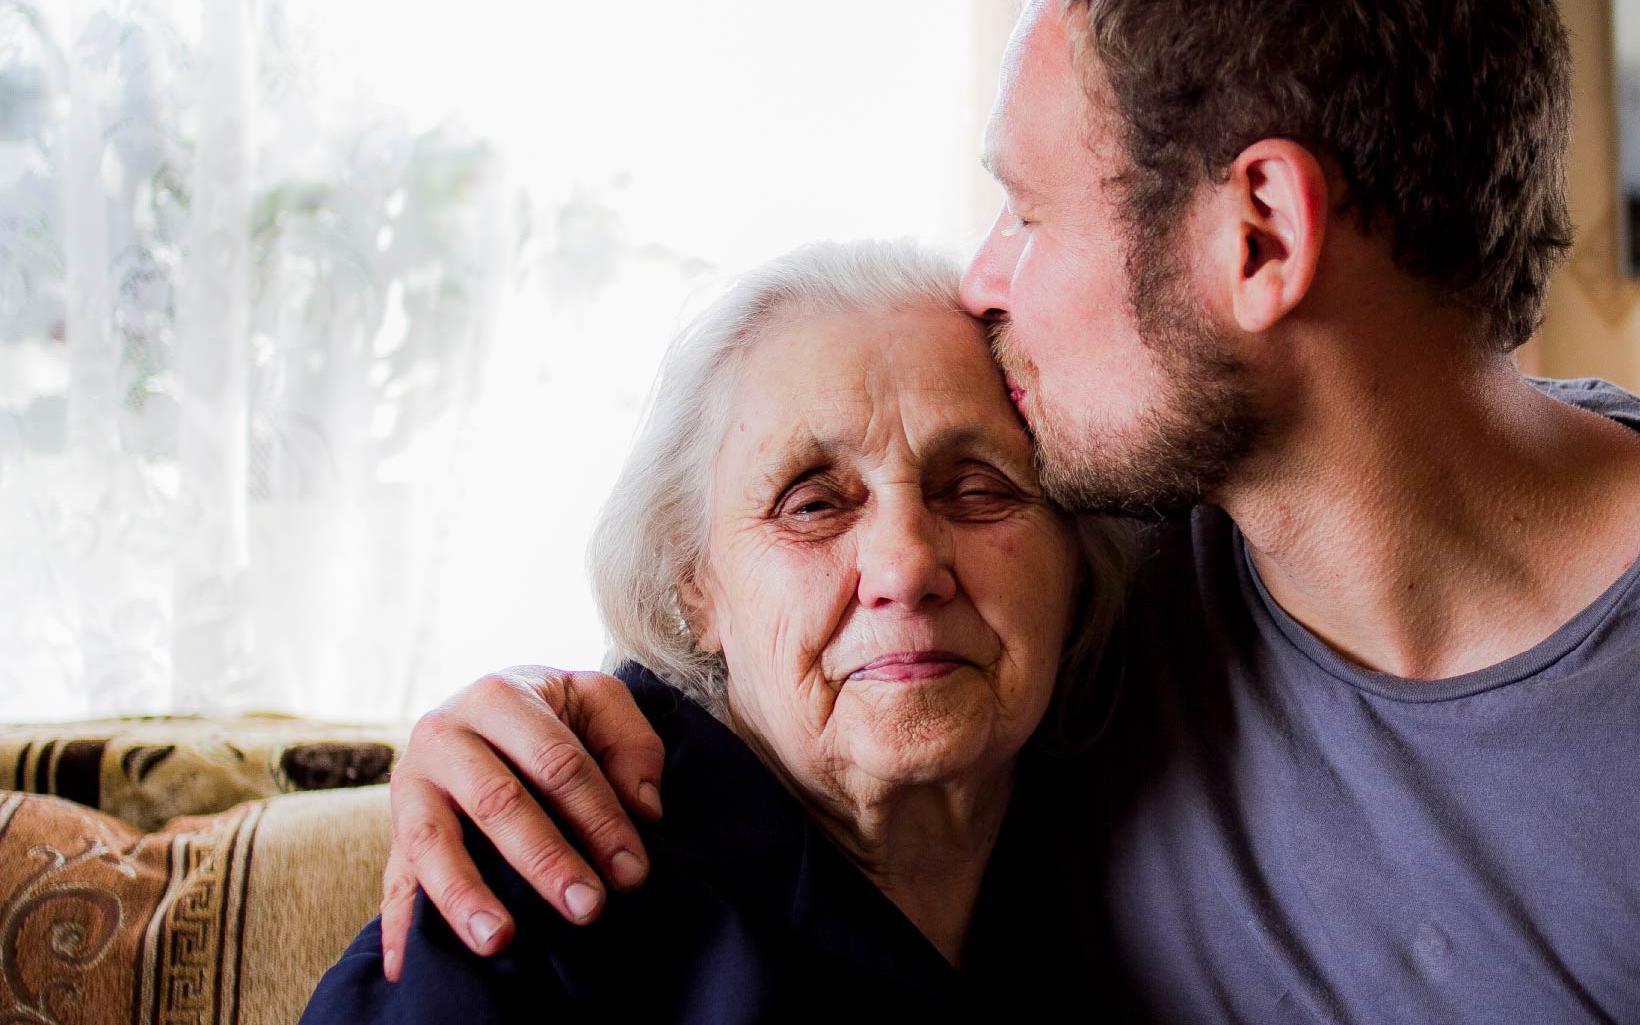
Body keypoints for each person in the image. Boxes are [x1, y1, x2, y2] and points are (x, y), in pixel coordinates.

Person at [382, 0, 1640, 1020]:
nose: (984, 285)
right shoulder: (1085, 588)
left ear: (1259, 234)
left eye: (1028, 213)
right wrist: (515, 732)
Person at [301, 241, 1130, 1021]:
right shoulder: (540, 889)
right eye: (812, 503)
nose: (906, 565)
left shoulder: (1155, 832)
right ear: (693, 585)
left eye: (979, 488)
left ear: (1076, 556)